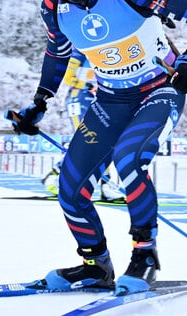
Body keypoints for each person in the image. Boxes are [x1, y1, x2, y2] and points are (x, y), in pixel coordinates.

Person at [9, 0, 187, 295]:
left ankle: (145, 254)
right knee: (70, 186)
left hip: (158, 89)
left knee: (129, 160)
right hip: (110, 99)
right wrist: (40, 102)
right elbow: (58, 53)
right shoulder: (53, 6)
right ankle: (95, 266)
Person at [40, 48, 124, 202]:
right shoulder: (81, 49)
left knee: (105, 144)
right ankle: (53, 176)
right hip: (78, 99)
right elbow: (68, 77)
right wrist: (88, 86)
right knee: (86, 143)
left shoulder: (107, 49)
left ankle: (107, 186)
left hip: (97, 101)